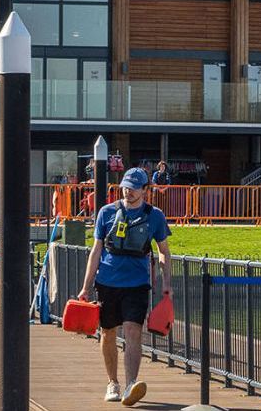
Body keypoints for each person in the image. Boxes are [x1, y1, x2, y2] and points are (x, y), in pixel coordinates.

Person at [76, 167, 173, 406]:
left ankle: (130, 385)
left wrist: (166, 285)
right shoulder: (106, 213)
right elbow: (96, 250)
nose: (128, 192)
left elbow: (164, 252)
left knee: (133, 331)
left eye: (134, 188)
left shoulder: (155, 216)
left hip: (138, 283)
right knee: (108, 332)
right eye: (125, 187)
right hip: (107, 282)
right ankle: (113, 382)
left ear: (145, 190)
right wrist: (86, 287)